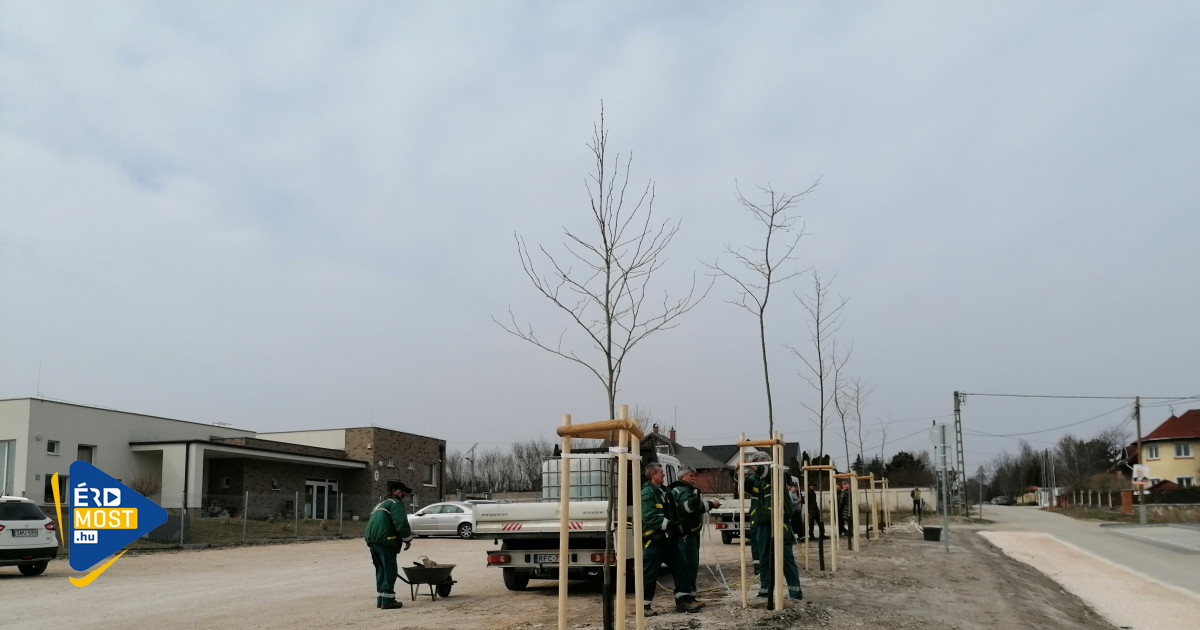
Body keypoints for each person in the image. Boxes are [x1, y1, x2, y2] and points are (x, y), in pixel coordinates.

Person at [745, 454, 802, 602]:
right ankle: (765, 591)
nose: (756, 466)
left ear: (767, 462)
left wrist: (751, 466)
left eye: (758, 463)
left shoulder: (777, 474)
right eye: (755, 463)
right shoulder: (755, 479)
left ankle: (795, 594)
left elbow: (770, 476)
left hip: (779, 524)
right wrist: (738, 472)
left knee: (785, 559)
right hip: (762, 525)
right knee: (764, 559)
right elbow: (743, 484)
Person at [641, 462, 697, 615]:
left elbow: (674, 512)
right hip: (654, 540)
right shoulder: (647, 494)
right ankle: (644, 606)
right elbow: (650, 518)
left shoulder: (666, 492)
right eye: (660, 472)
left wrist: (678, 528)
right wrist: (672, 525)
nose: (664, 474)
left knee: (681, 568)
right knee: (650, 574)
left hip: (669, 540)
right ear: (652, 475)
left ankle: (683, 601)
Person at [670, 466, 721, 611]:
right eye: (691, 476)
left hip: (690, 534)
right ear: (683, 477)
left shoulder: (682, 490)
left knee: (691, 566)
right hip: (686, 535)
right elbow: (688, 508)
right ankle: (684, 600)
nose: (694, 478)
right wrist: (710, 504)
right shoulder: (682, 491)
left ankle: (690, 597)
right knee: (687, 567)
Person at [365, 480, 415, 609]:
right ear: (393, 491)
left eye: (404, 492)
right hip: (386, 540)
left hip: (373, 541)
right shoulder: (395, 503)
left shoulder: (381, 504)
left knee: (381, 569)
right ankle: (388, 601)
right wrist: (407, 540)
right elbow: (401, 522)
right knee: (389, 570)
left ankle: (381, 599)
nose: (403, 494)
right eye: (401, 491)